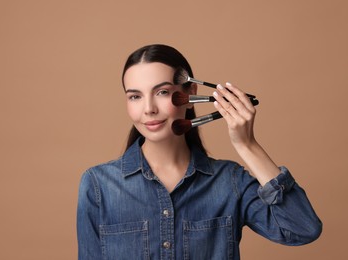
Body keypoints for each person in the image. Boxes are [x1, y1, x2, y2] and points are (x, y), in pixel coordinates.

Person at [76, 44, 322, 260]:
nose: (148, 109)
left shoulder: (229, 181)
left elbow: (302, 229)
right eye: (135, 96)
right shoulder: (99, 185)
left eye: (162, 92)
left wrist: (247, 145)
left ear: (189, 93)